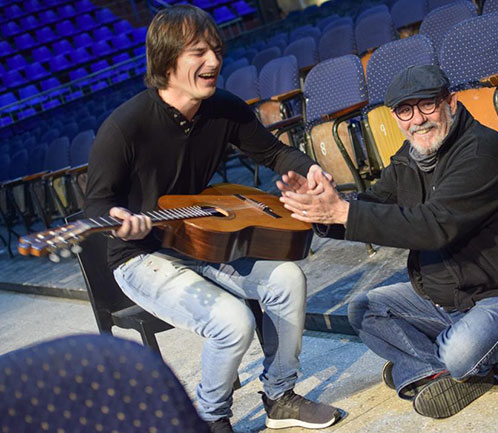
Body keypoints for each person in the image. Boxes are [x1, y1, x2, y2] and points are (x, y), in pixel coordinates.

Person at [84, 5, 341, 432]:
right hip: (139, 256)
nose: (214, 61)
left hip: (201, 240)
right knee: (232, 321)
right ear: (167, 61)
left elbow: (275, 152)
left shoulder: (223, 108)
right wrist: (118, 217)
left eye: (217, 50)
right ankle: (210, 418)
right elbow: (95, 205)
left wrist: (308, 168)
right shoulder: (124, 127)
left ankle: (279, 396)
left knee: (287, 280)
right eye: (199, 52)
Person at [277, 65, 498, 419]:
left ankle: (425, 366)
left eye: (427, 105)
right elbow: (377, 203)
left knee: (460, 351)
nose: (418, 120)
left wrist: (343, 213)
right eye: (405, 110)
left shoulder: (482, 152)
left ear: (451, 103)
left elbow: (433, 226)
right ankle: (435, 372)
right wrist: (325, 210)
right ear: (396, 117)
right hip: (451, 298)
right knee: (365, 308)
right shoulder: (408, 157)